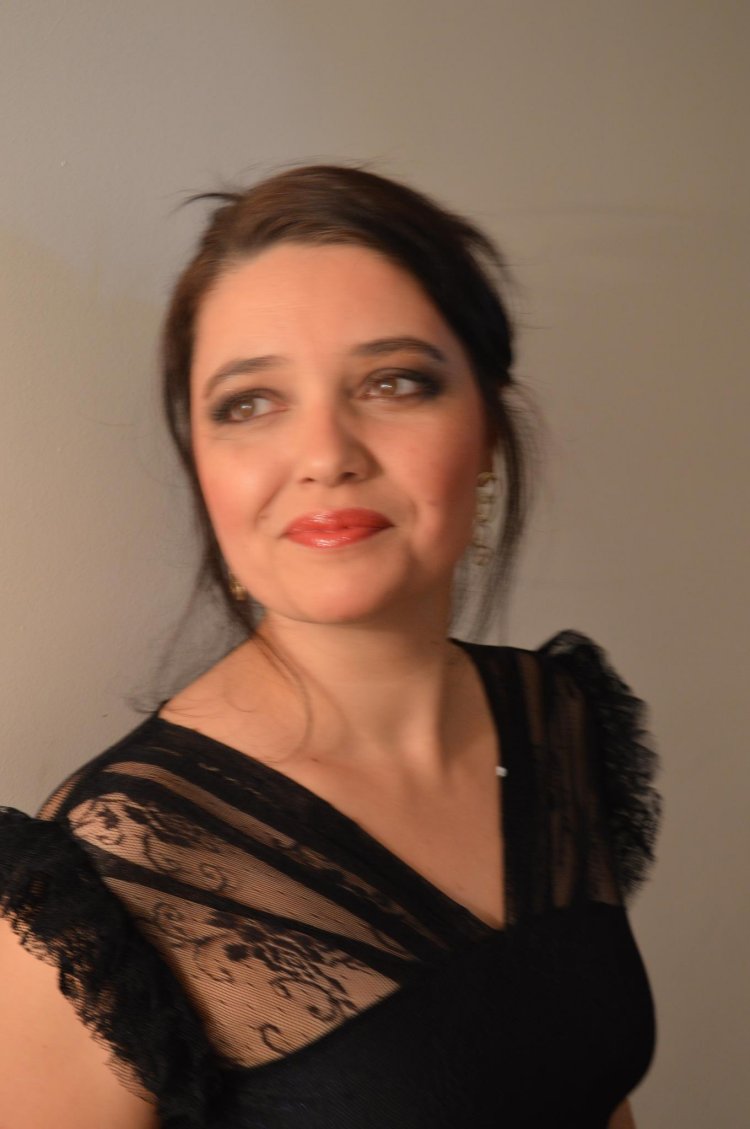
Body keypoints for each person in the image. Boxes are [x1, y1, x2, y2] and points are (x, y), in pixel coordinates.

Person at [0, 164, 661, 1128]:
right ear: (202, 465)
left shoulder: (556, 716)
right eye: (251, 402)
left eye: (394, 382)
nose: (326, 453)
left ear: (486, 428)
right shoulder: (116, 878)